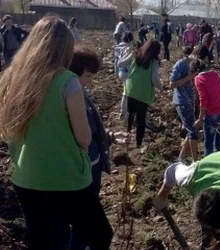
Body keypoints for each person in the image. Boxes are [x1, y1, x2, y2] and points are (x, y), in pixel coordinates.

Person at [0, 16, 113, 249]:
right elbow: (84, 138)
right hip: (66, 180)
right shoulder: (67, 82)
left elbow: (6, 132)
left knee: (43, 242)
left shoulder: (13, 78)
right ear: (65, 48)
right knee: (99, 234)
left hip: (26, 178)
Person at [69, 45, 128, 250]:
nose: (89, 80)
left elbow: (90, 129)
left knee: (85, 226)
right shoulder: (69, 97)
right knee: (90, 229)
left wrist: (110, 136)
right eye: (87, 75)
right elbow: (80, 136)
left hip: (91, 167)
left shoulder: (80, 92)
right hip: (81, 171)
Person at [153, 151, 220, 250]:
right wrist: (162, 195)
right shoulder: (192, 177)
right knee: (208, 219)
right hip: (217, 162)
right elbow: (173, 171)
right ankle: (206, 244)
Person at [118, 40, 163, 147]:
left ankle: (127, 135)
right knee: (141, 119)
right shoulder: (154, 62)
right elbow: (154, 79)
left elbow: (120, 63)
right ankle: (138, 143)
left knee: (130, 114)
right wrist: (161, 88)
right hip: (143, 93)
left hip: (131, 88)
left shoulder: (135, 54)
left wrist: (128, 53)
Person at [191, 59, 220, 156]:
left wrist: (200, 119)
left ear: (195, 71)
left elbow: (203, 99)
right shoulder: (216, 74)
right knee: (219, 142)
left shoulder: (199, 78)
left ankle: (208, 166)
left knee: (208, 144)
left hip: (212, 114)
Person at [170, 46, 198, 162]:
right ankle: (196, 161)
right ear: (188, 55)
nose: (196, 58)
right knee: (193, 131)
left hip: (190, 101)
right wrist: (188, 78)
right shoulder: (180, 65)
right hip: (181, 101)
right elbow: (171, 84)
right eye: (195, 55)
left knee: (190, 129)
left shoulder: (195, 65)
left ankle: (181, 158)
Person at [114, 31, 135, 120]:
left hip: (120, 72)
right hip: (128, 73)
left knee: (125, 91)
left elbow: (116, 62)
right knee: (127, 94)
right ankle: (124, 113)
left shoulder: (117, 48)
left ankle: (124, 112)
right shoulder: (128, 48)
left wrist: (116, 73)